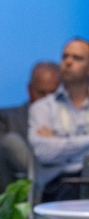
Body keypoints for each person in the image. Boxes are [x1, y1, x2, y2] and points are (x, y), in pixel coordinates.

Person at [28, 40, 89, 202]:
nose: (68, 62)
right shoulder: (41, 108)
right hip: (57, 187)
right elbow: (44, 152)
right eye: (65, 56)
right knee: (69, 191)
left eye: (77, 58)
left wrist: (59, 142)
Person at [0, 62, 60, 190]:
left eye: (52, 93)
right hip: (19, 192)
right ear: (30, 89)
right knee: (11, 141)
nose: (46, 100)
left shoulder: (69, 120)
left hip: (63, 187)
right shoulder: (6, 118)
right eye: (41, 93)